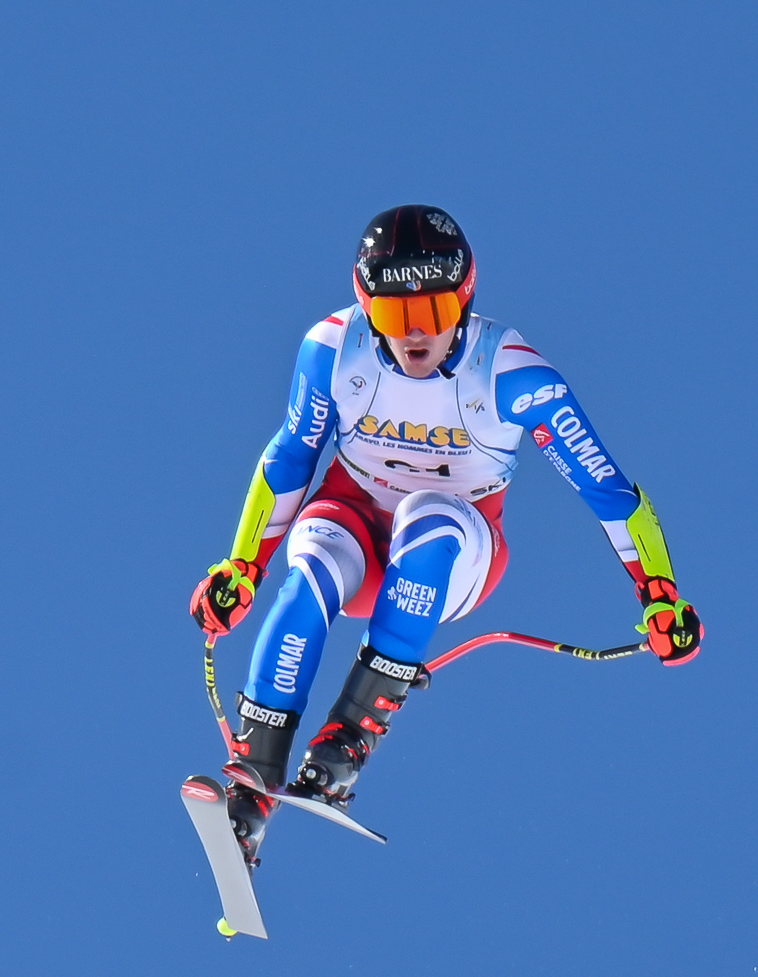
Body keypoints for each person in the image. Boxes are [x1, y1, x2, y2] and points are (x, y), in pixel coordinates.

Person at [191, 205, 703, 865]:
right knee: (310, 572)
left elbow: (606, 487)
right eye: (392, 314)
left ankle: (348, 741)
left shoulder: (511, 376)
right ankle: (252, 786)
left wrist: (659, 592)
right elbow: (291, 455)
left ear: (463, 298)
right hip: (355, 523)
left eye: (432, 311)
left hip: (455, 550)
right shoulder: (332, 350)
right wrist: (242, 566)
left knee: (428, 514)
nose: (413, 334)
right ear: (365, 305)